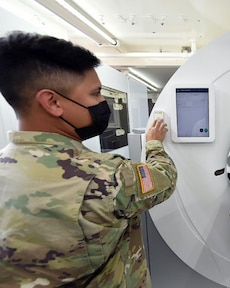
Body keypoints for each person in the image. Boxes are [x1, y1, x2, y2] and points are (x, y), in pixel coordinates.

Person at [0, 31, 177, 287]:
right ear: (52, 102)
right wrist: (153, 143)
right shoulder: (106, 177)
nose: (103, 101)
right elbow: (165, 178)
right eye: (95, 94)